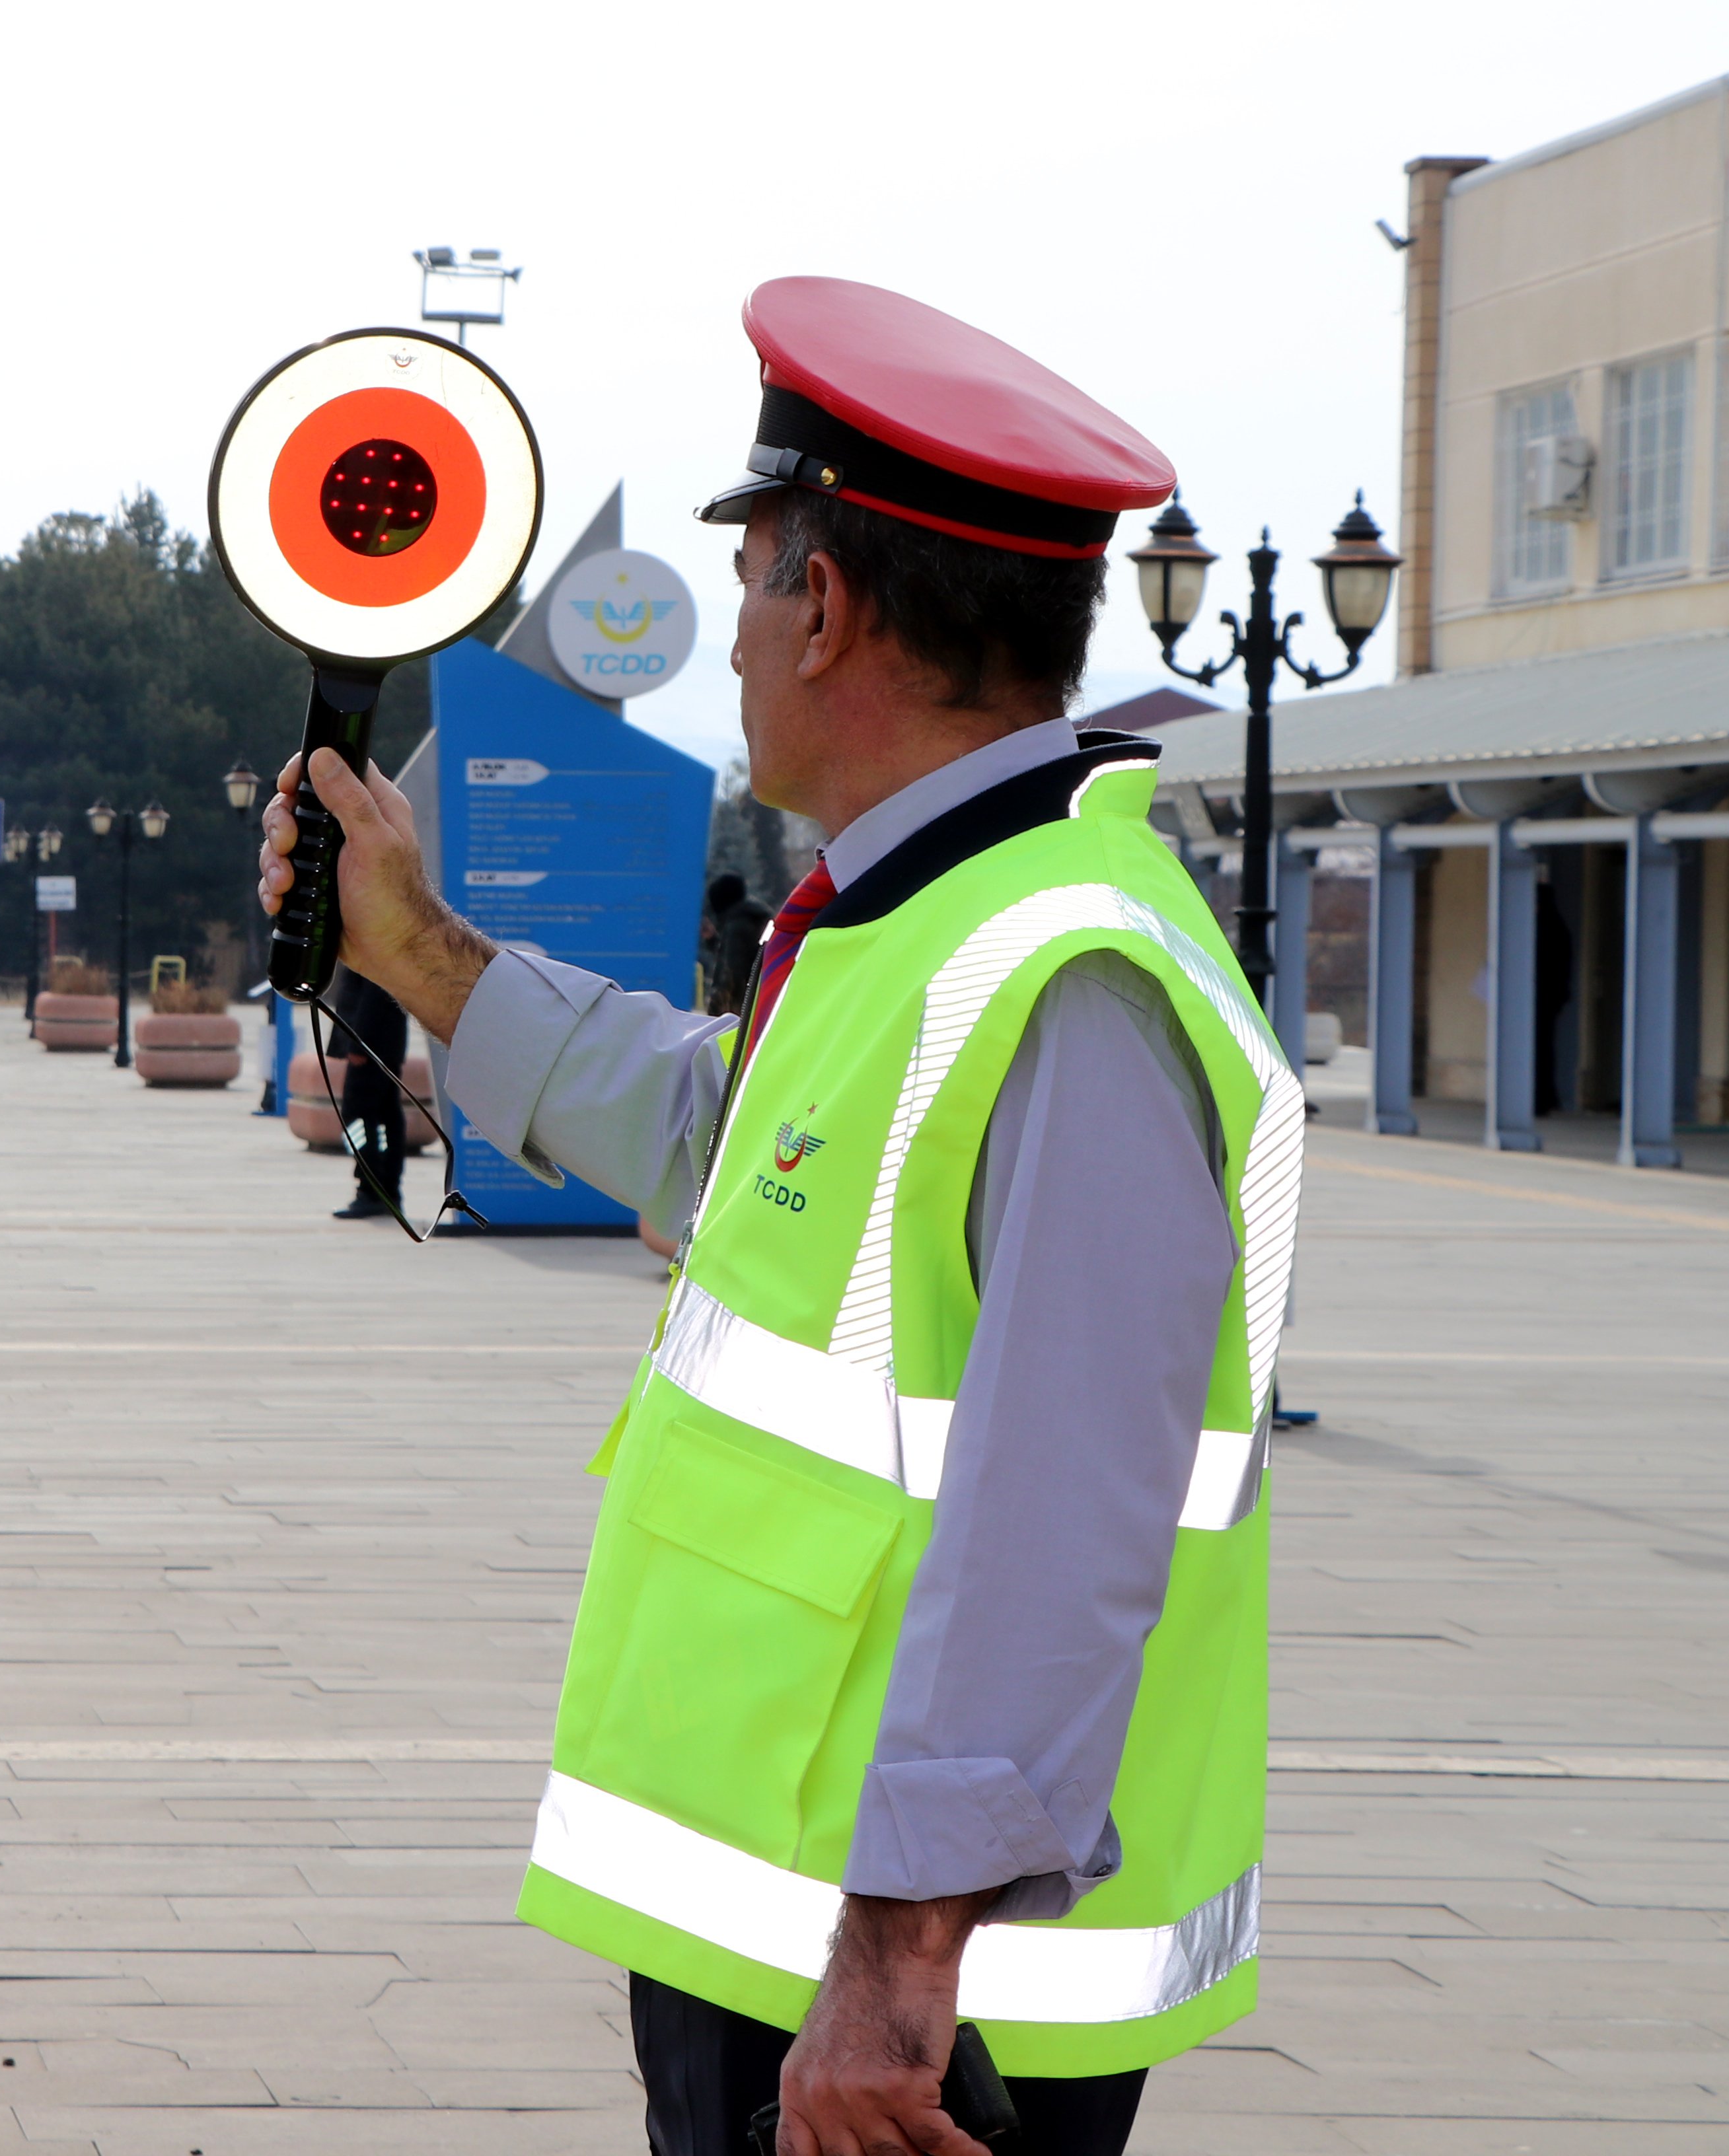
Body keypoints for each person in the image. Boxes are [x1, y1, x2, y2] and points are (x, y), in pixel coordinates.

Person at [261, 277, 1296, 2156]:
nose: (729, 640)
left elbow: (1066, 1509)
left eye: (748, 583)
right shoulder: (922, 920)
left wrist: (901, 1967)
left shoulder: (1064, 973)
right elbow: (708, 1131)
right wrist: (416, 953)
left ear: (822, 607)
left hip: (913, 2007)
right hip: (801, 1938)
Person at [324, 966, 410, 1221]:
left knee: (358, 1118)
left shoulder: (372, 940)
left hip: (371, 1046)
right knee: (384, 1117)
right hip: (383, 1045)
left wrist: (358, 1041)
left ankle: (371, 1190)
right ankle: (386, 1190)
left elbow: (375, 991)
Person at [698, 872, 763, 1018]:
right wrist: (713, 940)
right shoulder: (752, 919)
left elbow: (732, 973)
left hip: (738, 1014)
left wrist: (715, 1015)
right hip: (758, 1006)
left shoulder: (737, 927)